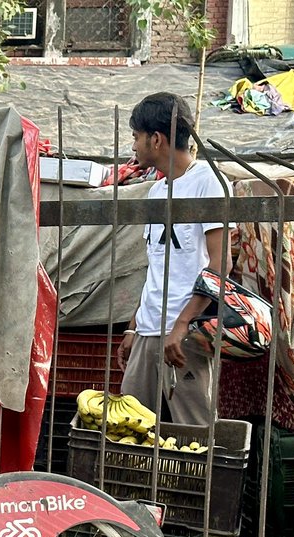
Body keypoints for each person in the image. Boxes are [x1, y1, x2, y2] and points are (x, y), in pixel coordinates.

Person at [115, 92, 230, 426]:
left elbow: (221, 266)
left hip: (186, 333)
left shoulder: (208, 182)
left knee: (192, 433)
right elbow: (158, 266)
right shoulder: (155, 192)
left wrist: (181, 325)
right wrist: (135, 327)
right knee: (128, 432)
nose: (134, 146)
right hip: (149, 330)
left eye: (136, 137)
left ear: (156, 139)